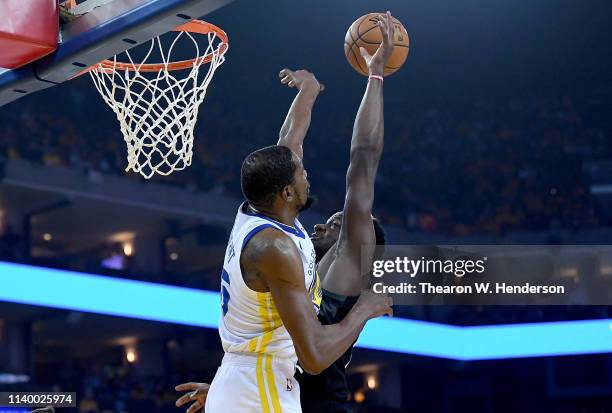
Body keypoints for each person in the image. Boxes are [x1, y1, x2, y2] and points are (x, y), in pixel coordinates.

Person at [177, 11, 396, 412]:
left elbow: (352, 159)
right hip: (266, 391)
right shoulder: (280, 244)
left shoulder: (338, 254)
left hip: (286, 394)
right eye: (330, 221)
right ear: (286, 192)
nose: (327, 223)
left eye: (336, 224)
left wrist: (332, 86)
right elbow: (303, 150)